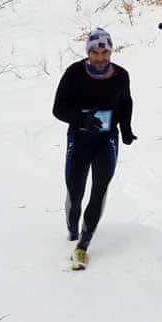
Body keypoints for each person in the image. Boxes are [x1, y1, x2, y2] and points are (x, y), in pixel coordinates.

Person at [53, 27, 136, 270]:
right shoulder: (74, 74)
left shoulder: (121, 75)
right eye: (96, 52)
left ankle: (83, 246)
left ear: (110, 51)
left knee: (99, 190)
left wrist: (127, 129)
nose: (100, 57)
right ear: (88, 52)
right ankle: (72, 229)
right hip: (79, 139)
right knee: (75, 191)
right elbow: (58, 109)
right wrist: (81, 119)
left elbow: (126, 103)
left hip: (106, 140)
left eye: (105, 52)